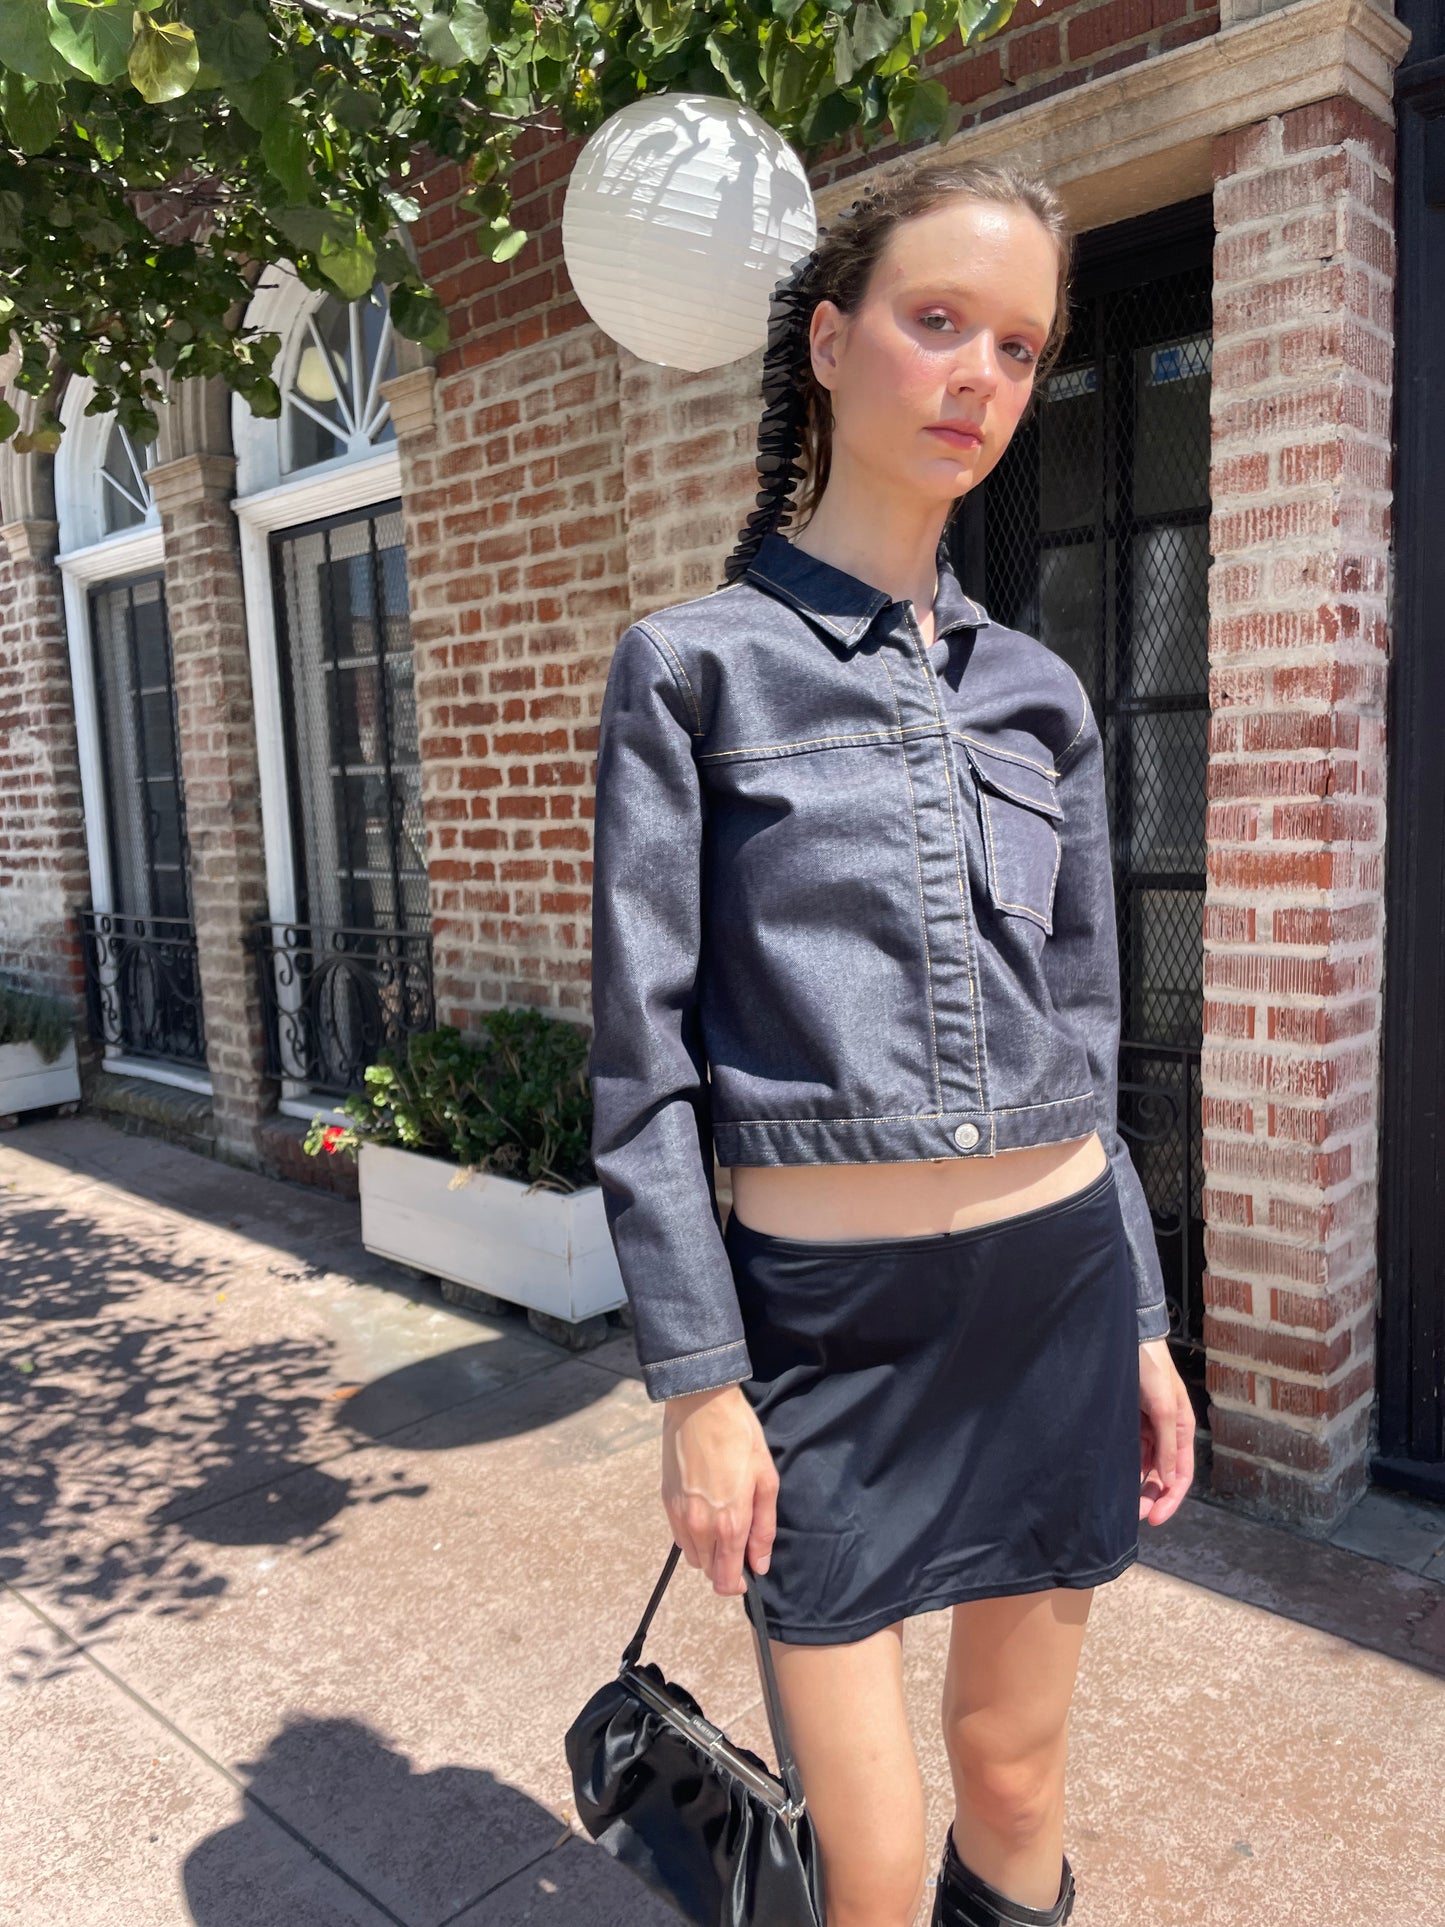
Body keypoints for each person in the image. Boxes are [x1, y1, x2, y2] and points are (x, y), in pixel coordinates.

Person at [586, 157, 1196, 1927]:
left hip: (1057, 1301)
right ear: (832, 342)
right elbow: (646, 1071)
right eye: (938, 323)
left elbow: (1081, 1035)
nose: (978, 378)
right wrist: (702, 1385)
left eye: (1018, 346)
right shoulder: (692, 672)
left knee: (1014, 1776)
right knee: (859, 1865)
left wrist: (1142, 1326)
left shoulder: (1040, 695)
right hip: (828, 1348)